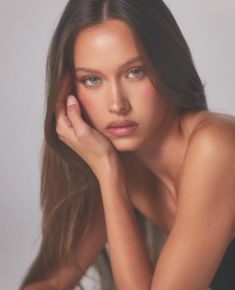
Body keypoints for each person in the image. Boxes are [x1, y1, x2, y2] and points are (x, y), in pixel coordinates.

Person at [19, 0, 235, 289]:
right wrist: (109, 170)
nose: (117, 104)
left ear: (167, 67)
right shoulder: (118, 160)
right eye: (92, 79)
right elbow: (52, 281)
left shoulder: (215, 145)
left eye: (135, 72)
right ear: (68, 90)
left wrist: (108, 173)